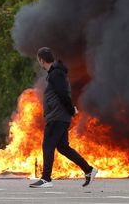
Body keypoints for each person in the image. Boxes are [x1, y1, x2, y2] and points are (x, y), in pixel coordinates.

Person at [29, 47, 98, 188]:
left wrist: (71, 109)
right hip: (59, 116)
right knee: (63, 147)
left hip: (57, 117)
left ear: (42, 60)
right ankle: (89, 170)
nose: (39, 63)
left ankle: (46, 179)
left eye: (39, 61)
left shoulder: (56, 74)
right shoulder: (55, 73)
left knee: (48, 145)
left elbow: (63, 94)